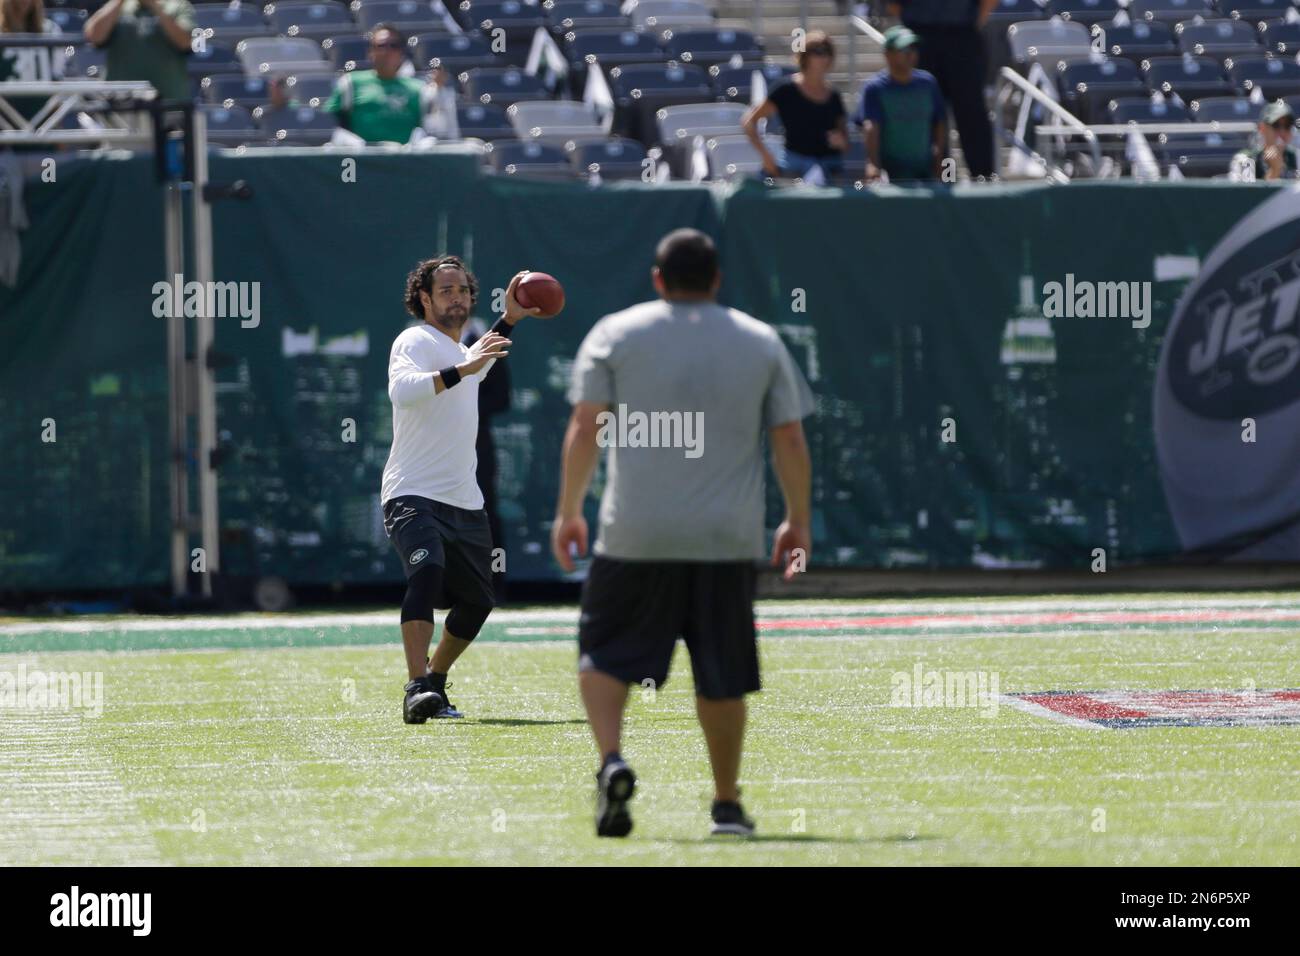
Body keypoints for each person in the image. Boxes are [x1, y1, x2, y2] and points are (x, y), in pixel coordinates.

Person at [552, 228, 815, 838]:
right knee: (722, 672)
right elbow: (790, 438)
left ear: (658, 279)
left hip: (634, 535)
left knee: (602, 653)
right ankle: (726, 805)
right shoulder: (760, 340)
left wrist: (569, 509)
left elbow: (586, 427)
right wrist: (797, 520)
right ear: (717, 279)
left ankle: (611, 760)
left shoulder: (616, 333)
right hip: (725, 540)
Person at [381, 258, 542, 724]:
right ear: (425, 299)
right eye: (445, 290)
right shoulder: (415, 340)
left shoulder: (465, 352)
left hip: (464, 499)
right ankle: (415, 688)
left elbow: (481, 360)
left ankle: (434, 680)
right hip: (412, 491)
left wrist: (511, 317)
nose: (456, 297)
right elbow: (403, 392)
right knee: (427, 574)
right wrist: (465, 366)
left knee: (477, 601)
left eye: (462, 290)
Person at [887, 0, 997, 179]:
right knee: (932, 116)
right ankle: (945, 178)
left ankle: (982, 177)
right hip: (921, 38)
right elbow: (893, 4)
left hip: (962, 36)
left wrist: (973, 23)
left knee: (971, 112)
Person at [323, 24, 456, 145]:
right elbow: (329, 123)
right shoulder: (351, 83)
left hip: (404, 161)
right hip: (362, 159)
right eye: (381, 46)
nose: (387, 52)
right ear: (371, 52)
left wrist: (437, 92)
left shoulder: (418, 89)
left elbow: (434, 128)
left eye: (393, 46)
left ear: (401, 53)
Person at [742, 30, 848, 181]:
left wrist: (841, 141)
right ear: (805, 56)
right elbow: (749, 122)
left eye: (828, 52)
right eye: (818, 51)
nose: (824, 57)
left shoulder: (834, 95)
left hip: (830, 167)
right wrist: (766, 156)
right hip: (793, 166)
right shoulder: (786, 90)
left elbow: (845, 143)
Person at [461, 316, 512, 602]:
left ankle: (494, 583)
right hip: (436, 445)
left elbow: (503, 398)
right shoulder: (425, 343)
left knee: (485, 512)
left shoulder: (485, 343)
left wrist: (462, 404)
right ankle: (443, 587)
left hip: (477, 446)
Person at [854, 25, 946, 183]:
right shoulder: (874, 88)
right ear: (888, 55)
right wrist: (873, 165)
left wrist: (939, 159)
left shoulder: (928, 83)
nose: (910, 54)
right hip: (891, 175)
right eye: (904, 50)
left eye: (913, 48)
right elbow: (871, 127)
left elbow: (939, 121)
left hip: (925, 172)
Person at [83, 0, 195, 102]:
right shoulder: (119, 7)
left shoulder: (178, 6)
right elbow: (94, 36)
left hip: (168, 103)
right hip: (120, 104)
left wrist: (154, 7)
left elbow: (185, 42)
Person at [1230, 101, 1298, 181]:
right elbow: (1245, 192)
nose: (1282, 132)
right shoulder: (1246, 159)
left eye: (1287, 126)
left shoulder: (1297, 158)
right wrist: (1274, 171)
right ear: (1262, 128)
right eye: (1276, 125)